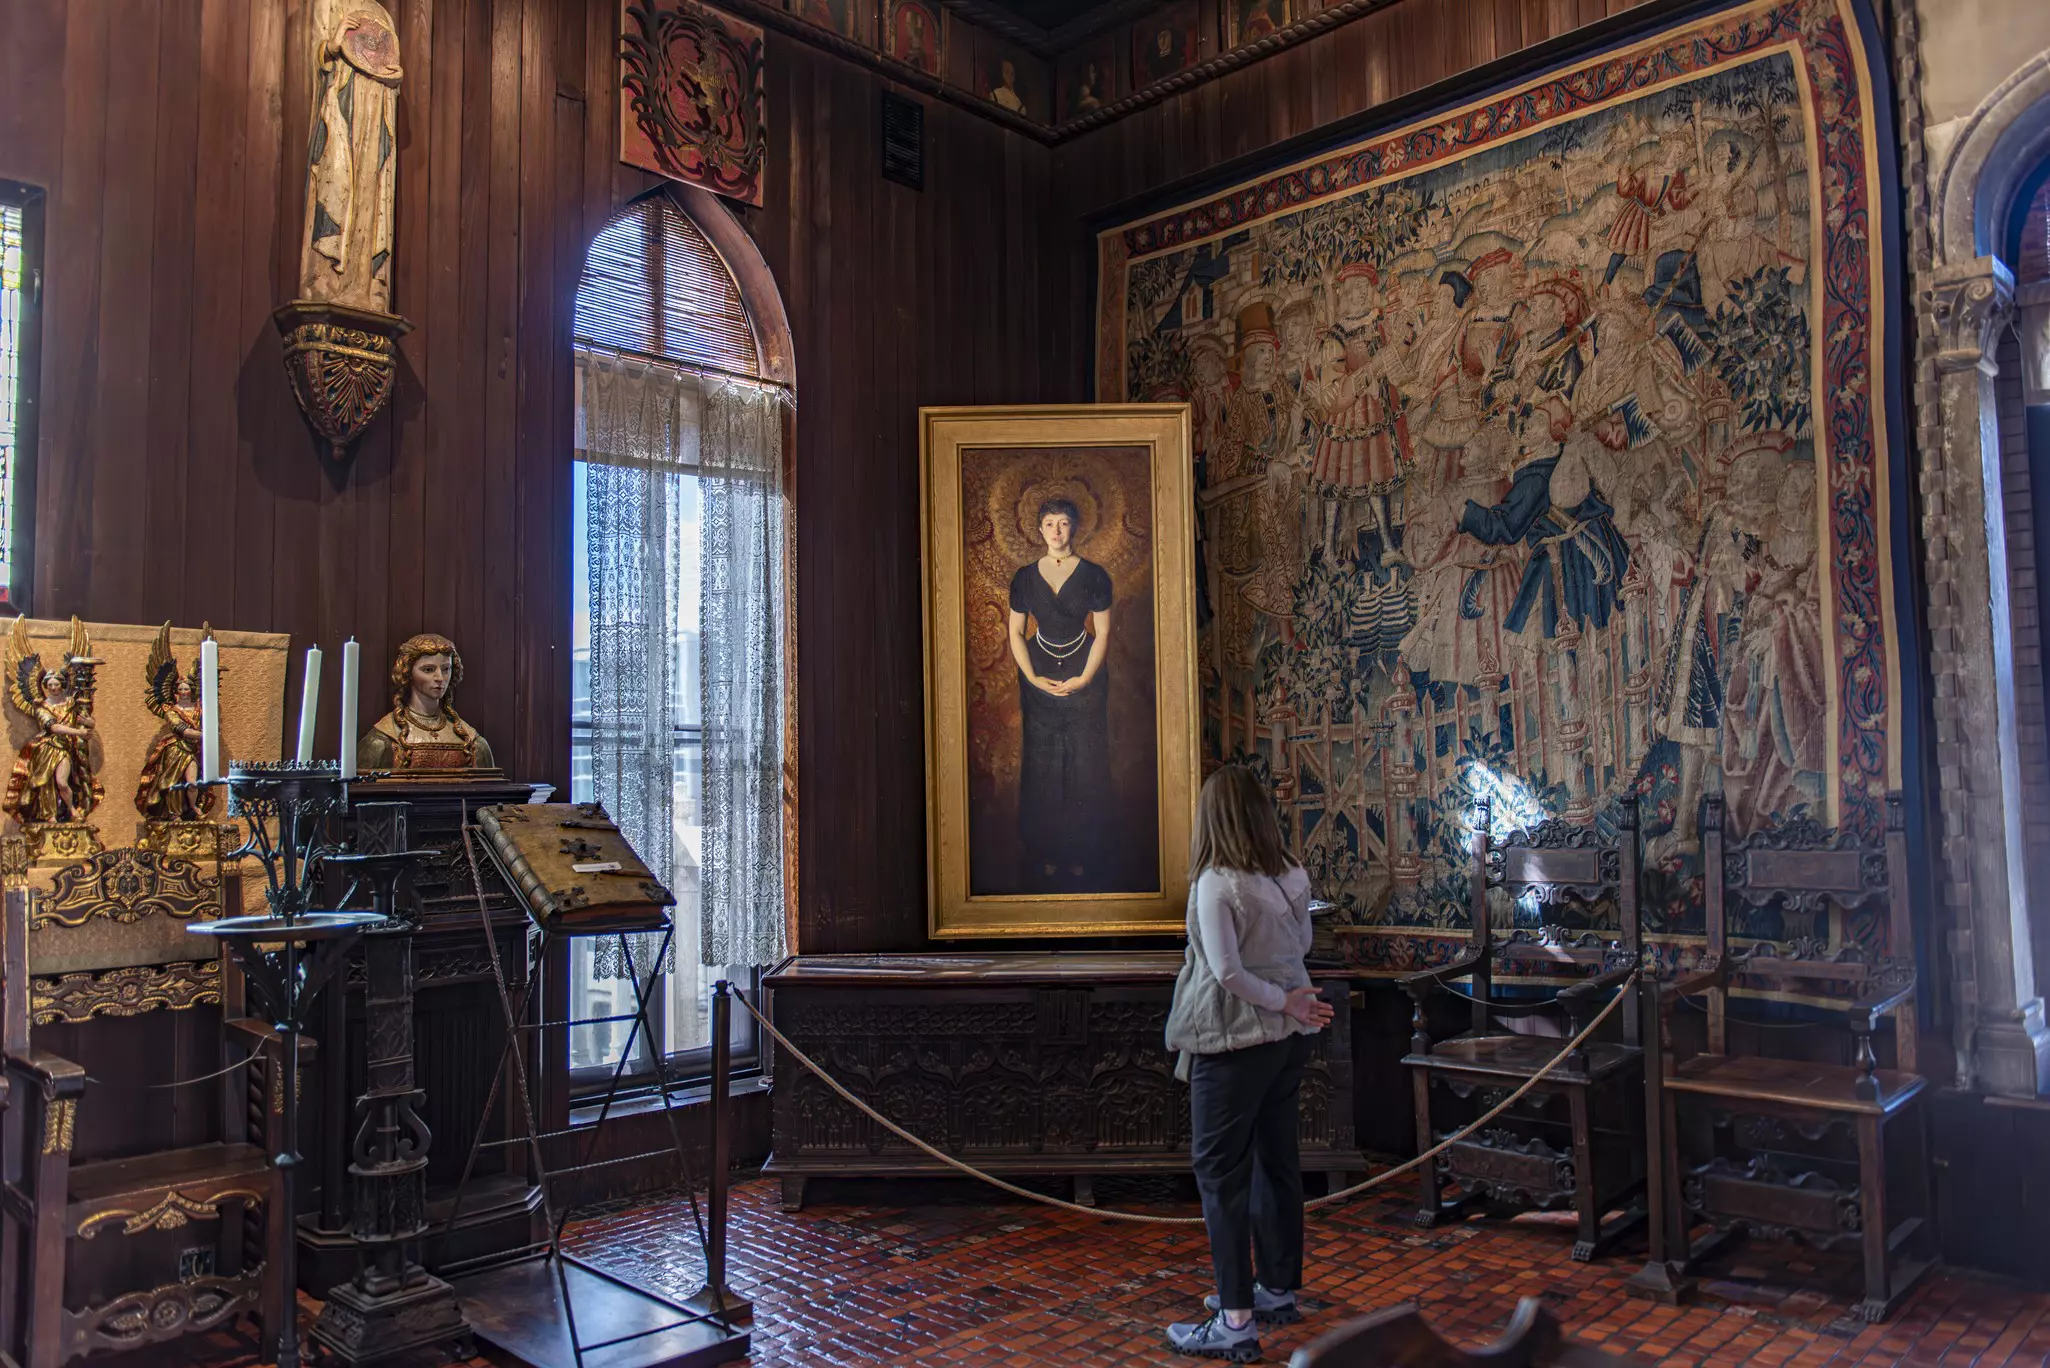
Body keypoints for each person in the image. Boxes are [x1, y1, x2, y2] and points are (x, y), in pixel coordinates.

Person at [1163, 764, 1334, 1363]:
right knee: (1275, 1161)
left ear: (1211, 818)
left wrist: (1278, 1000)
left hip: (1233, 1040)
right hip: (1288, 1038)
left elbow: (1227, 972)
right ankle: (1276, 1290)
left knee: (1219, 1174)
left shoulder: (1216, 882)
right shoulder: (1290, 872)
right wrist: (1288, 1001)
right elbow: (1302, 946)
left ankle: (1235, 1320)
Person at [1006, 498, 1114, 891]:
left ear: (1074, 528)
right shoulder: (1024, 578)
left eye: (1063, 523)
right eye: (1049, 523)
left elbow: (1103, 632)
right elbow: (1016, 632)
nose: (1056, 530)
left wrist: (1085, 678)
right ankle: (1046, 853)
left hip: (1086, 672)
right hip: (1038, 675)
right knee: (1045, 764)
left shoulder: (1095, 576)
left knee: (1085, 761)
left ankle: (1083, 854)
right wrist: (1032, 678)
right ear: (1040, 529)